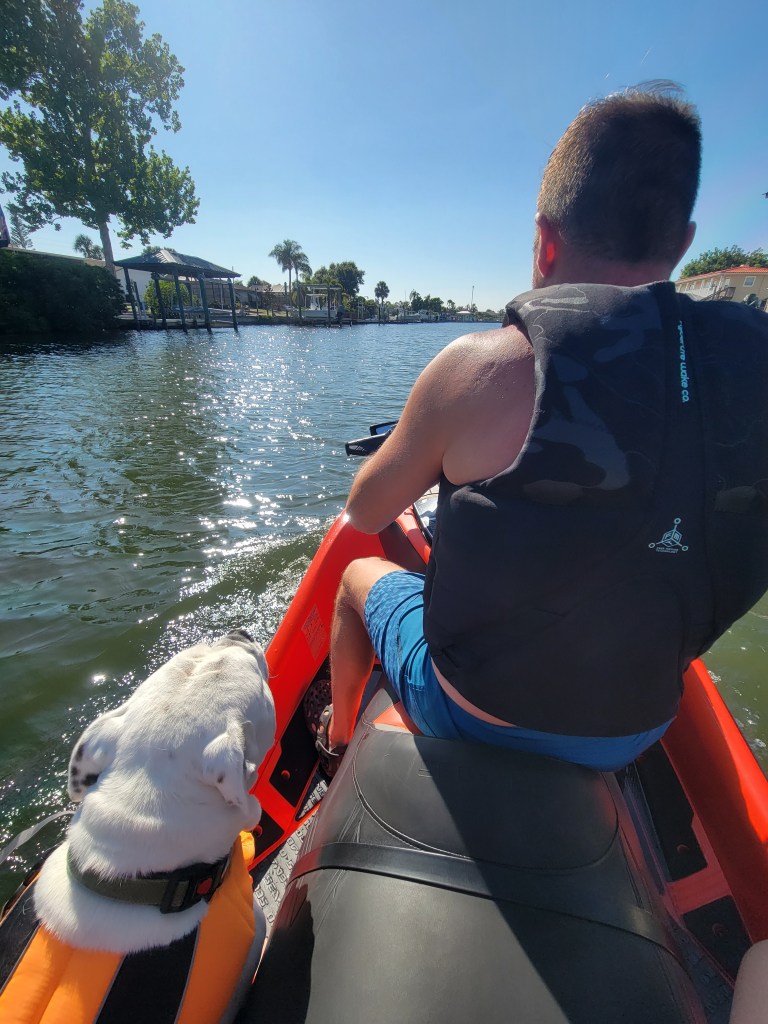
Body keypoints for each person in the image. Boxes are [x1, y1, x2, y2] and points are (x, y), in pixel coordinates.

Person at [313, 83, 768, 775]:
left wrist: (432, 444)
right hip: (640, 724)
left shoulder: (479, 368)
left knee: (353, 577)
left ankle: (338, 734)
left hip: (471, 710)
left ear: (544, 244)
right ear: (682, 245)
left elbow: (367, 508)